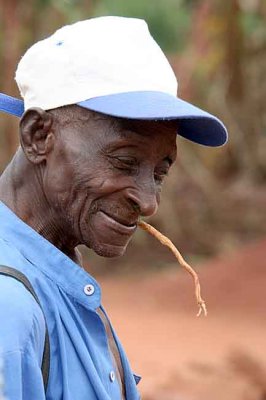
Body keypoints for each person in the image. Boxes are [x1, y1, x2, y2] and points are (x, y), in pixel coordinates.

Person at [0, 16, 227, 400]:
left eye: (159, 172)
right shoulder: (10, 308)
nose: (149, 203)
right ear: (39, 136)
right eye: (123, 162)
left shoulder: (58, 282)